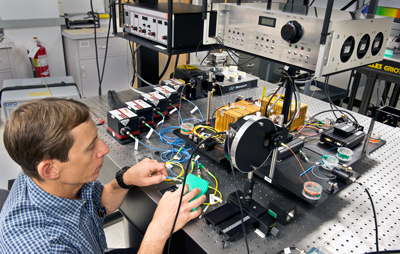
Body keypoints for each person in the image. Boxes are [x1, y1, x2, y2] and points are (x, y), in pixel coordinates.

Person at [0, 98, 206, 253]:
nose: (105, 149)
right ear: (50, 169)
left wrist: (125, 180)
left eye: (97, 138)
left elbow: (97, 204)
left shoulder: (45, 178)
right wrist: (159, 230)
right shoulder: (43, 246)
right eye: (90, 148)